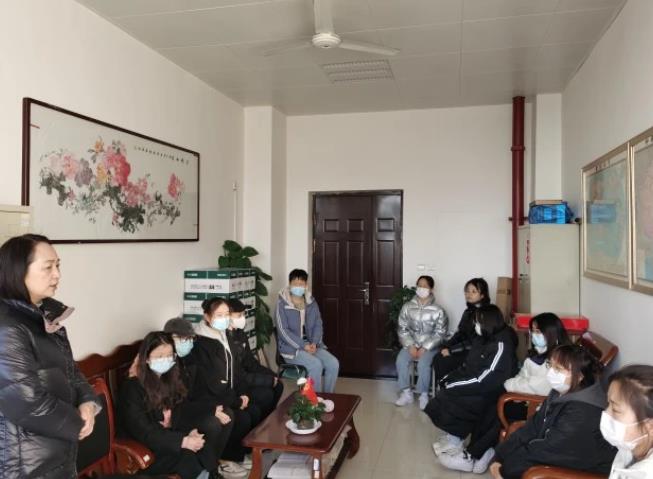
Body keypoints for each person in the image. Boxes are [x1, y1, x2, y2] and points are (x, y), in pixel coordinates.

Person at [0, 234, 101, 478]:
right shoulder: (7, 327)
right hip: (25, 466)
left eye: (58, 266)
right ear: (18, 270)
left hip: (56, 456)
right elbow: (26, 402)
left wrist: (88, 403)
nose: (57, 275)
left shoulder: (43, 317)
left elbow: (71, 371)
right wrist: (77, 423)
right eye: (48, 267)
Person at [490, 344, 617, 479]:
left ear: (580, 376)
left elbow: (549, 450)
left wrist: (505, 469)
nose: (551, 372)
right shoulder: (560, 391)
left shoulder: (583, 413)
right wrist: (500, 455)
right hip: (554, 452)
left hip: (584, 471)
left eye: (558, 369)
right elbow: (533, 426)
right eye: (550, 365)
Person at [119, 332, 232, 479]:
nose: (165, 360)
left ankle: (212, 475)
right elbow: (144, 431)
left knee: (203, 445)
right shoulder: (132, 387)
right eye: (159, 356)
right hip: (146, 448)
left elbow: (180, 408)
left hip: (167, 438)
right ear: (146, 358)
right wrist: (182, 440)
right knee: (189, 457)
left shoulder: (167, 379)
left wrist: (188, 433)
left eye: (169, 355)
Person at [425, 304, 518, 474]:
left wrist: (455, 385)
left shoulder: (501, 344)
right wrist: (451, 379)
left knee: (453, 396)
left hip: (489, 390)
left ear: (488, 322)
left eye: (478, 322)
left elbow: (486, 379)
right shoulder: (484, 337)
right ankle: (454, 437)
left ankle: (456, 442)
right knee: (445, 391)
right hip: (479, 384)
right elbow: (469, 365)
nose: (475, 325)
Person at [193, 297, 261, 478]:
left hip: (229, 393)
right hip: (212, 398)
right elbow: (213, 384)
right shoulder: (202, 343)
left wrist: (243, 393)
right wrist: (236, 401)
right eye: (219, 315)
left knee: (252, 410)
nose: (224, 319)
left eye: (226, 314)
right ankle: (225, 459)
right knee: (239, 417)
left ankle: (239, 455)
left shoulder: (224, 336)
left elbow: (236, 370)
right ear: (207, 317)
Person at [276, 268, 339, 393]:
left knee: (333, 363)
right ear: (290, 284)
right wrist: (303, 345)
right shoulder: (282, 304)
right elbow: (283, 331)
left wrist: (314, 343)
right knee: (315, 365)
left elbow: (318, 324)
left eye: (301, 283)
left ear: (306, 285)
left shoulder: (311, 302)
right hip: (292, 349)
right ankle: (314, 401)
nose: (298, 286)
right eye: (295, 283)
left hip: (311, 345)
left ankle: (328, 396)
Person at [395, 275, 448, 410]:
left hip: (430, 346)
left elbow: (440, 333)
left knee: (424, 364)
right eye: (419, 285)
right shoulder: (407, 307)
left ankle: (424, 395)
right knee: (401, 360)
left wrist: (425, 347)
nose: (421, 288)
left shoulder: (438, 310)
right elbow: (402, 328)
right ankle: (407, 393)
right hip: (411, 344)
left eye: (425, 286)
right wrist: (410, 345)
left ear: (431, 289)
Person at [227, 298, 283, 418]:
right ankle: (263, 423)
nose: (243, 318)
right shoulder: (224, 339)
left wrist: (270, 375)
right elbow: (237, 374)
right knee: (266, 394)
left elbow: (250, 362)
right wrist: (265, 380)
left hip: (246, 377)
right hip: (237, 383)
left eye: (244, 315)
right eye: (239, 315)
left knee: (278, 384)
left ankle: (269, 419)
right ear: (228, 316)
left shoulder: (240, 334)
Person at [432, 278, 490, 386]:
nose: (469, 294)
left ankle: (450, 387)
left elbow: (476, 342)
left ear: (482, 295)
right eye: (467, 291)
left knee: (444, 361)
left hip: (476, 352)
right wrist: (447, 345)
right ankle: (444, 387)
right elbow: (460, 333)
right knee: (438, 356)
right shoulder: (468, 311)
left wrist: (451, 350)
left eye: (474, 291)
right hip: (465, 348)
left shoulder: (485, 314)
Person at [601, 365, 653, 478]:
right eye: (608, 403)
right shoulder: (630, 447)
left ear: (650, 425)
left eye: (615, 409)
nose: (606, 413)